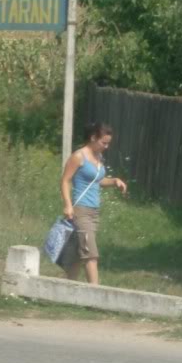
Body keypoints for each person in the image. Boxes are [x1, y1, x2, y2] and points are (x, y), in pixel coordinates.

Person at [60, 122, 127, 285]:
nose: (106, 146)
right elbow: (65, 181)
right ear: (93, 138)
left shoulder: (98, 157)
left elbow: (98, 180)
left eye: (108, 143)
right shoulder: (78, 156)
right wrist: (68, 205)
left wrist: (114, 181)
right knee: (91, 255)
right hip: (80, 210)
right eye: (104, 142)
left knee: (79, 254)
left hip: (94, 211)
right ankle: (96, 295)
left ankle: (66, 290)